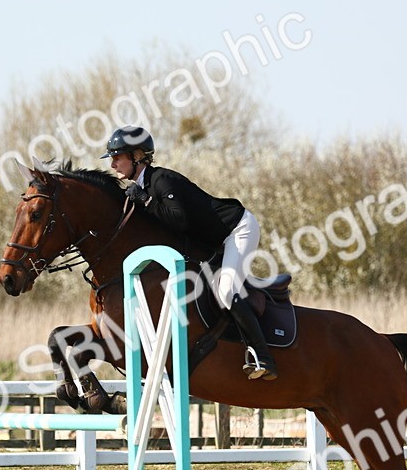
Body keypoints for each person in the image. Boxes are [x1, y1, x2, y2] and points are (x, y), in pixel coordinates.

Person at [101, 125, 277, 381]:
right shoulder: (143, 186)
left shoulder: (162, 180)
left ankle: (262, 355)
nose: (113, 164)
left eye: (117, 157)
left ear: (137, 156)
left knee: (225, 289)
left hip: (237, 229)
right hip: (210, 241)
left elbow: (179, 221)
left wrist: (146, 202)